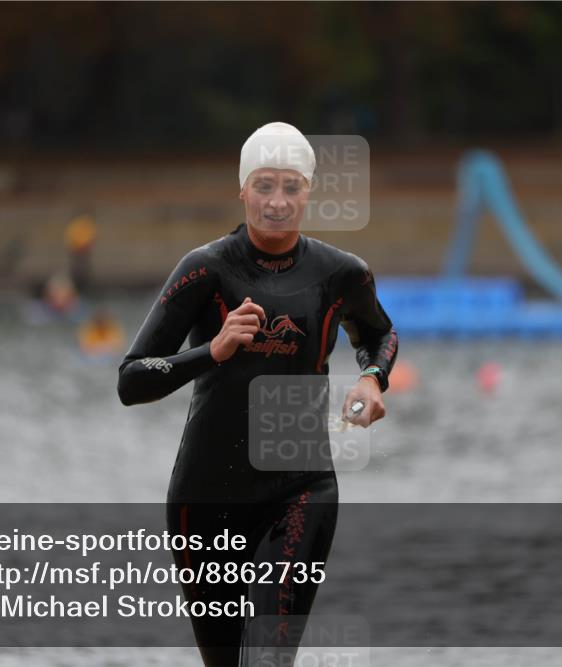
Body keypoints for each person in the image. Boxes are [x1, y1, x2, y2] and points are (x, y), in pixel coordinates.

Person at [118, 122, 398, 666]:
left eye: (291, 187)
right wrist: (212, 351)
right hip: (205, 500)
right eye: (264, 186)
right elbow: (131, 379)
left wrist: (372, 379)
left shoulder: (341, 274)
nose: (277, 201)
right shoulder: (205, 270)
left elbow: (380, 333)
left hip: (300, 488)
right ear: (242, 189)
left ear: (309, 191)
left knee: (267, 661)